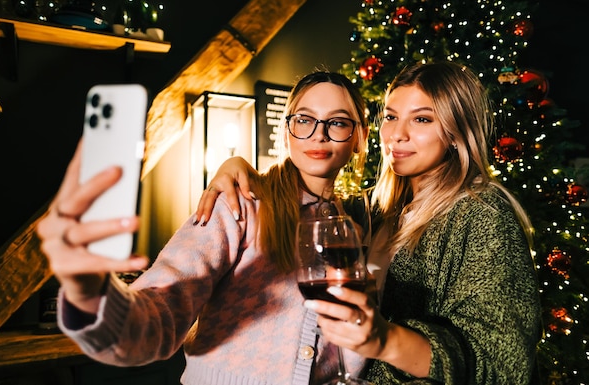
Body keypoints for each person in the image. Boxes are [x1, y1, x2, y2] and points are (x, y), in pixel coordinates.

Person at [195, 61, 543, 384]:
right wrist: (240, 169)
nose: (397, 135)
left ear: (456, 132)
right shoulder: (369, 211)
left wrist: (386, 340)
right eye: (391, 117)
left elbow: (505, 364)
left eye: (422, 119)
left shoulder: (482, 213)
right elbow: (302, 206)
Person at [36, 70, 373, 385]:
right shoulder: (239, 204)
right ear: (286, 132)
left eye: (338, 123)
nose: (318, 133)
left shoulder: (360, 227)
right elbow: (162, 312)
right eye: (304, 119)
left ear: (360, 137)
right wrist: (90, 292)